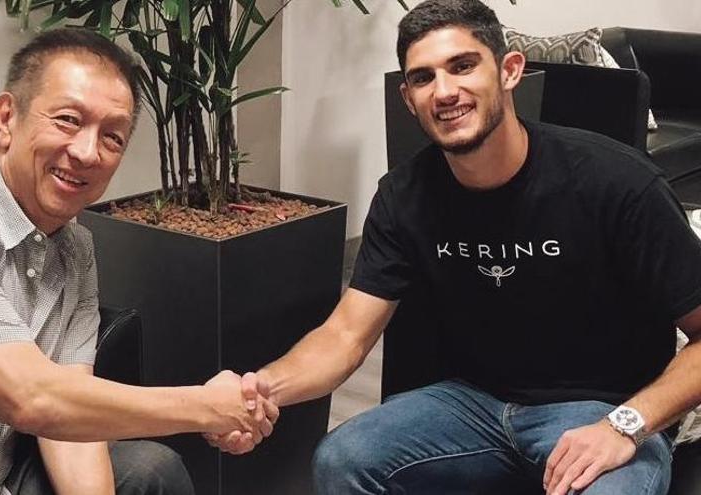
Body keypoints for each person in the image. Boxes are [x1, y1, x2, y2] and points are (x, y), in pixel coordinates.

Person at [207, 1, 701, 494]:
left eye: (463, 66)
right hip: (469, 406)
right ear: (408, 97)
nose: (445, 91)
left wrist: (627, 425)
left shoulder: (617, 183)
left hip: (601, 409)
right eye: (423, 78)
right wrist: (259, 391)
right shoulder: (404, 195)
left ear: (510, 71)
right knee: (344, 459)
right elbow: (345, 336)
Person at [0, 29, 277, 495]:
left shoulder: (74, 249)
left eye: (112, 138)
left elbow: (66, 422)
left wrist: (218, 408)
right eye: (67, 120)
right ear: (6, 118)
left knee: (149, 472)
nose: (86, 152)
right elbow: (31, 397)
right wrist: (206, 407)